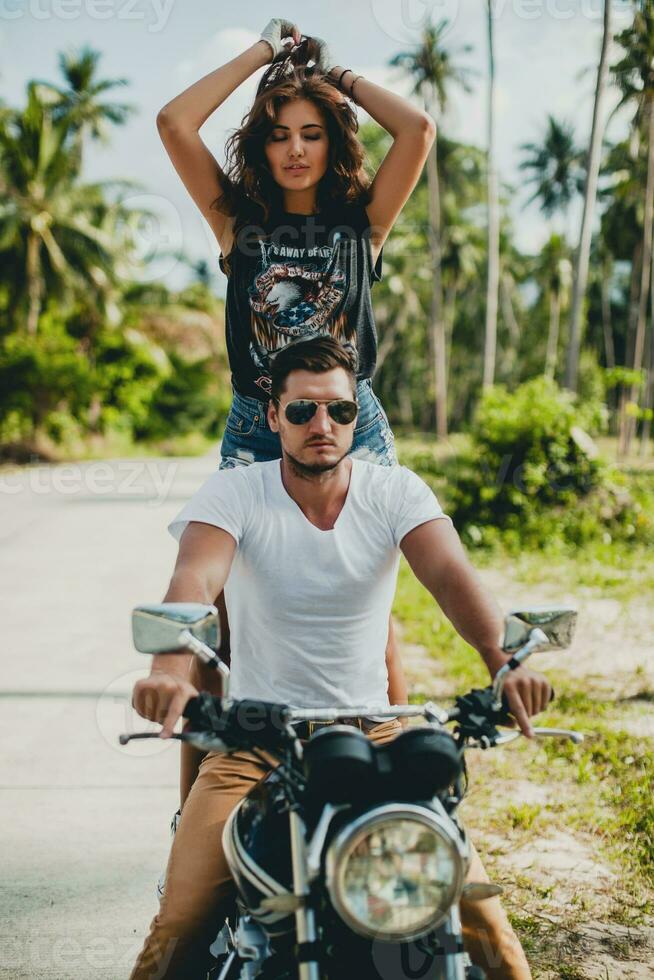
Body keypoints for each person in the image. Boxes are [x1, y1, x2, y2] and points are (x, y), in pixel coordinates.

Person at [129, 337, 550, 979]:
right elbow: (191, 584)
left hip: (378, 733)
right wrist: (166, 674)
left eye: (340, 412)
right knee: (180, 924)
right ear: (273, 416)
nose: (322, 426)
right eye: (302, 411)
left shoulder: (396, 492)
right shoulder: (234, 494)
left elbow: (453, 581)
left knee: (482, 923)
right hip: (257, 742)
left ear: (357, 415)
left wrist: (506, 661)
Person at [155, 17, 437, 810]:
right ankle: (198, 809)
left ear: (333, 139)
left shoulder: (361, 226)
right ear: (261, 145)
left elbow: (416, 129)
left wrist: (334, 77)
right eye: (279, 134)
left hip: (356, 425)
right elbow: (175, 123)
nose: (296, 149)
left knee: (367, 613)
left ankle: (393, 795)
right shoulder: (237, 225)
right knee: (219, 625)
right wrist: (265, 56)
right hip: (256, 425)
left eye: (312, 133)